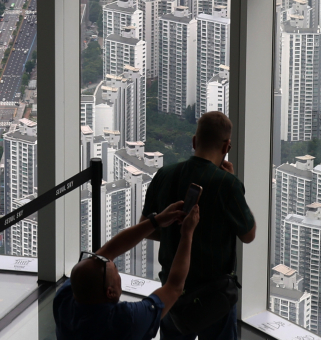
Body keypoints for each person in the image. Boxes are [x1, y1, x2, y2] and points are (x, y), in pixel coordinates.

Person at [141, 111, 256, 340]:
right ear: (227, 146)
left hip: (172, 289)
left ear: (195, 141)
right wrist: (234, 183)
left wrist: (176, 233)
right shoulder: (227, 184)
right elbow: (248, 234)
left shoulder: (164, 174)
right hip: (214, 296)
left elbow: (147, 227)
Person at [53, 200, 200, 340]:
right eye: (116, 271)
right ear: (110, 292)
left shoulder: (64, 300)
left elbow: (107, 251)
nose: (110, 259)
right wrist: (187, 233)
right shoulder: (126, 320)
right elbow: (174, 287)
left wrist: (156, 221)